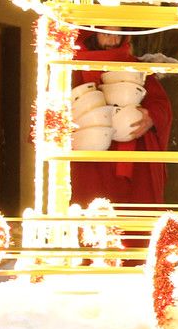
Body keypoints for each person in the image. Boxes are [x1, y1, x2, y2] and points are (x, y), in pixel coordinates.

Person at [69, 29, 171, 215]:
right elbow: (55, 105)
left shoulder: (134, 66)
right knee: (90, 213)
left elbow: (161, 105)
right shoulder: (71, 67)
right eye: (105, 32)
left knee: (135, 215)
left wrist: (150, 117)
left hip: (132, 160)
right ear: (92, 33)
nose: (113, 39)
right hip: (89, 161)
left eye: (117, 33)